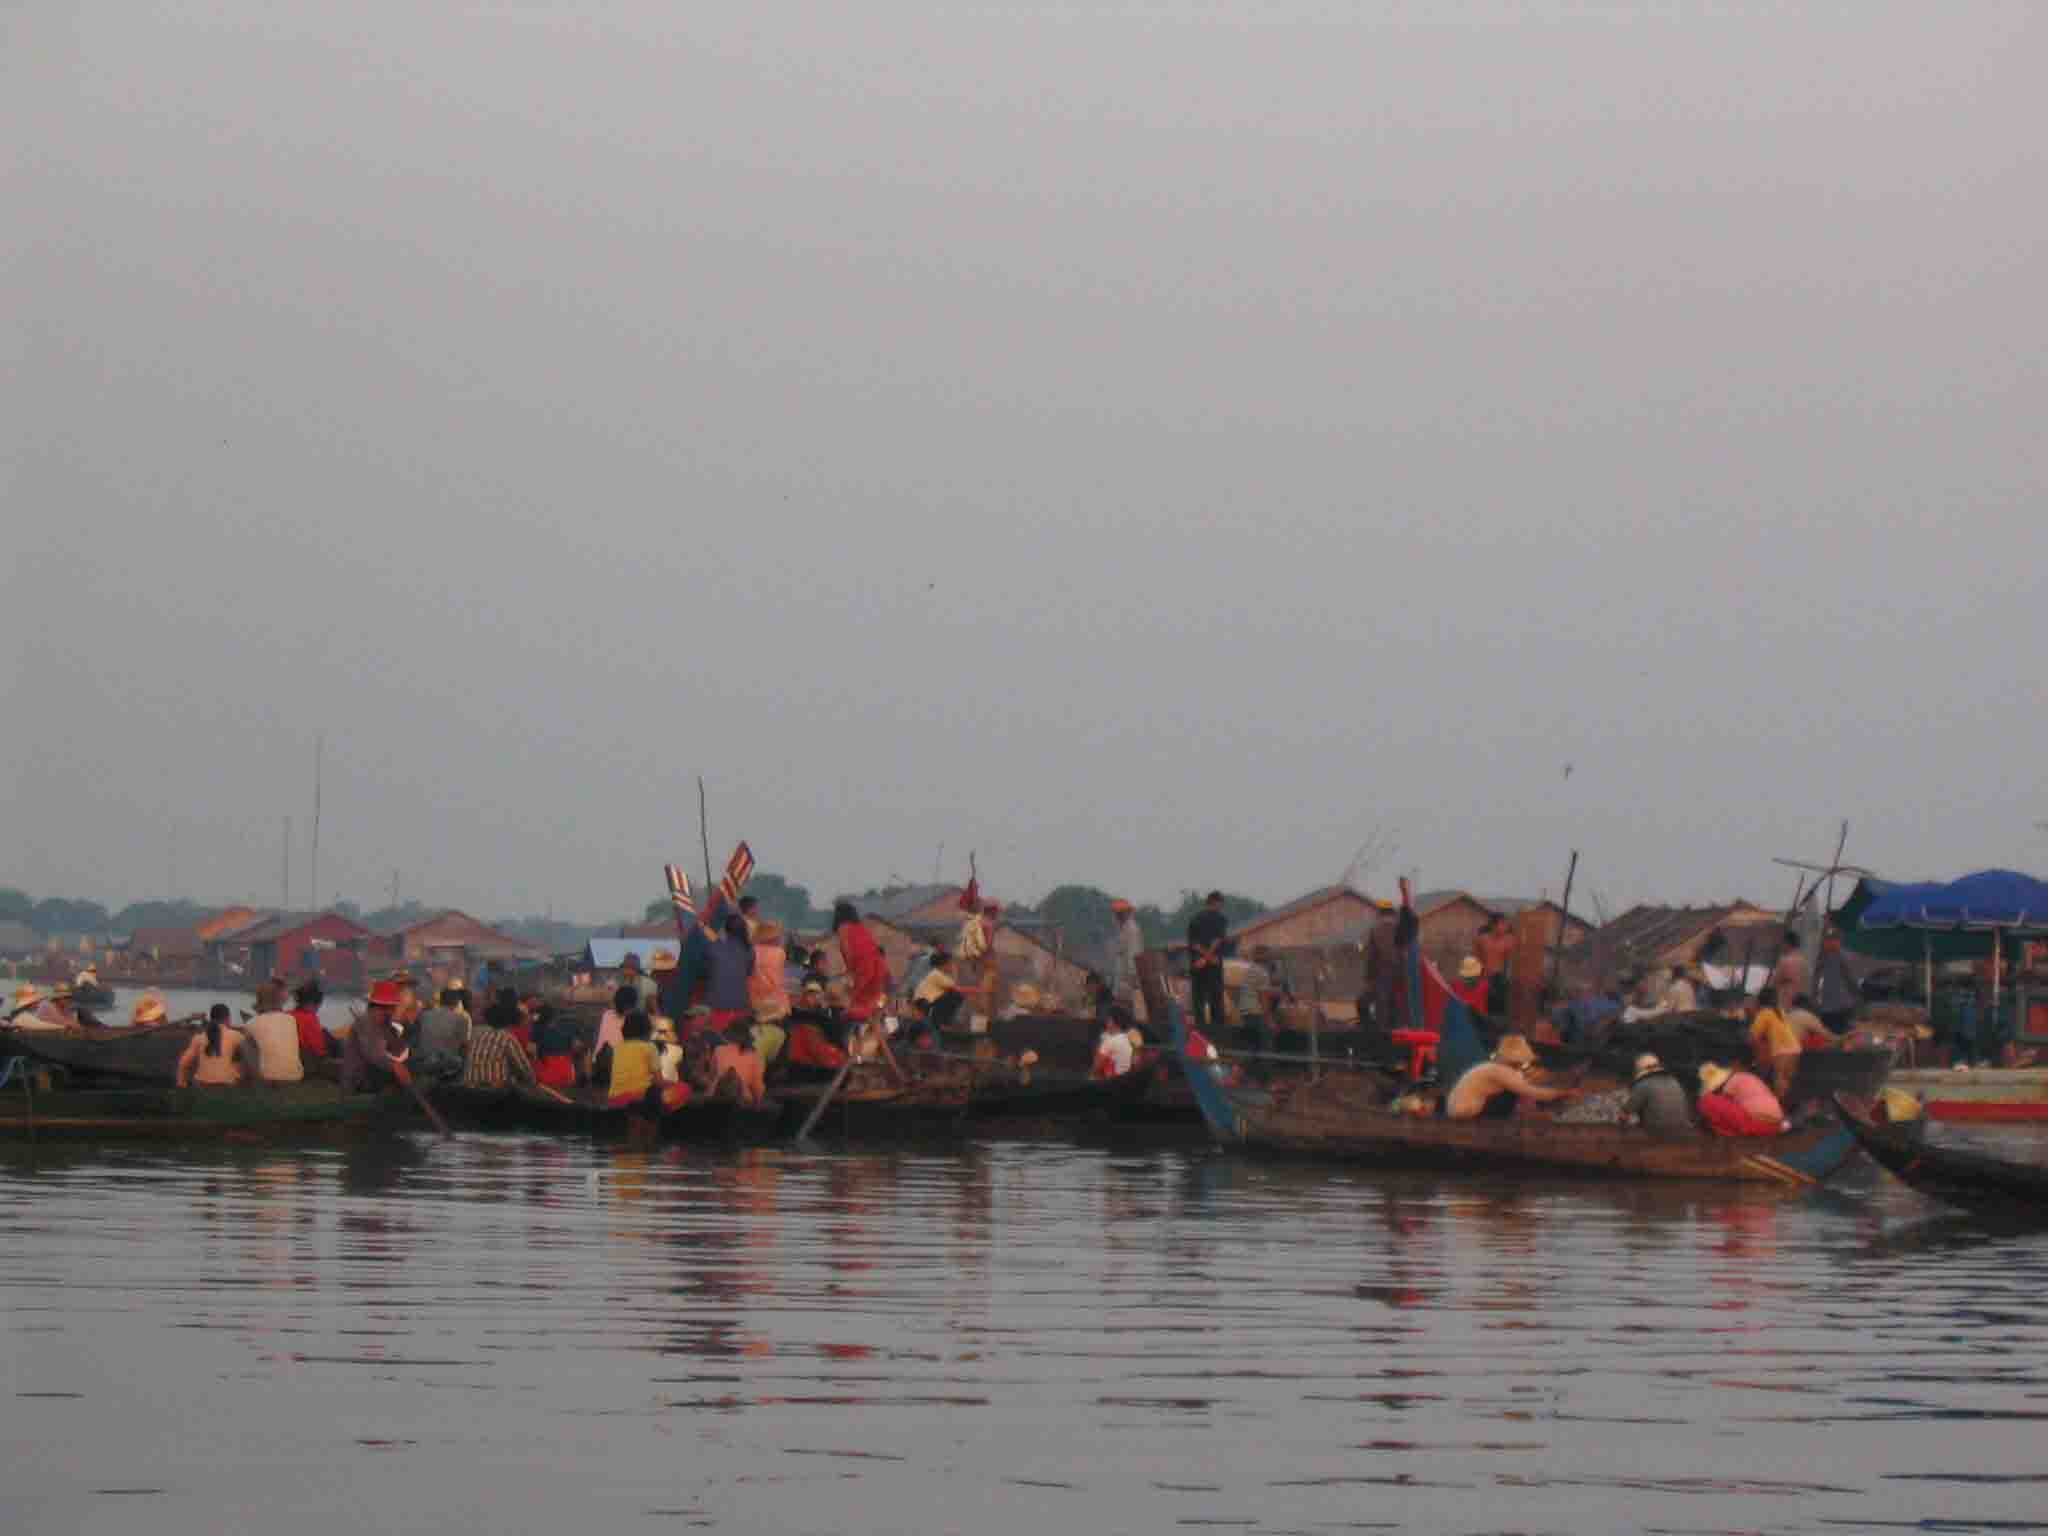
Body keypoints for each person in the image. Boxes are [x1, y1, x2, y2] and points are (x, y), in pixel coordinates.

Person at [1443, 1034, 1576, 1121]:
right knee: (1512, 1093)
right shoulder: (1499, 1071)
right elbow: (1532, 1091)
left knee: (1516, 1091)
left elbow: (1530, 1081)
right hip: (1466, 1112)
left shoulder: (1493, 1068)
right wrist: (1562, 1093)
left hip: (1459, 1110)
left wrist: (1553, 1085)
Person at [341, 979, 417, 1095]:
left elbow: (399, 1050)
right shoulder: (365, 1023)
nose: (392, 1011)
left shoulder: (384, 1025)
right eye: (389, 1008)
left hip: (373, 1074)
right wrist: (395, 1066)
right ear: (377, 1008)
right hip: (359, 1081)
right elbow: (375, 1055)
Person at [608, 1010, 688, 1110]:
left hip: (614, 1100)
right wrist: (674, 1084)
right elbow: (659, 1082)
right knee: (684, 1088)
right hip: (639, 1099)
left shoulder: (617, 1048)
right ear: (647, 1029)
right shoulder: (649, 1048)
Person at [834, 902, 890, 1028]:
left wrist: (850, 977)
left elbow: (848, 954)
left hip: (864, 970)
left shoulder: (843, 928)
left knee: (851, 1012)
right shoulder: (861, 929)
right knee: (869, 1013)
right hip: (875, 972)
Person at [461, 1007, 540, 1093]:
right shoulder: (507, 1038)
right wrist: (534, 1083)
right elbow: (523, 1067)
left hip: (470, 1089)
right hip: (495, 1091)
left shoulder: (479, 1036)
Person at [1696, 1061, 1785, 1136]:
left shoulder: (1729, 1086)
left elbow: (1728, 1107)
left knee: (1707, 1101)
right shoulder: (1746, 1077)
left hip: (1758, 1120)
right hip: (1776, 1119)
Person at [240, 981, 305, 1083]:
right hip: (296, 1075)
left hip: (267, 1076)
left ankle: (246, 1078)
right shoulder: (291, 1019)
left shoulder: (251, 1023)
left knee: (244, 1043)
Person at [704, 913, 757, 1034]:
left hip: (717, 1004)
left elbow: (707, 971)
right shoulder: (749, 950)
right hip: (740, 1003)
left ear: (726, 930)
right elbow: (749, 973)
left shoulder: (713, 947)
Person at [1186, 891, 1230, 1038]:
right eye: (1220, 904)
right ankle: (1218, 1034)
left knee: (1198, 1000)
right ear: (1216, 902)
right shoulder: (1221, 918)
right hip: (1213, 965)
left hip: (1197, 965)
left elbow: (1193, 944)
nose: (1221, 907)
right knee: (1216, 999)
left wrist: (1202, 959)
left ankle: (1200, 1033)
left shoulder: (1194, 919)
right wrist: (1209, 957)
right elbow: (1218, 941)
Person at [1748, 986, 1803, 1099]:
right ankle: (1782, 1105)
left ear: (1760, 1000)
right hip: (1794, 1048)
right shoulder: (1779, 1012)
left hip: (1781, 1050)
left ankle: (1778, 1107)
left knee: (1779, 1080)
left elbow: (1753, 1037)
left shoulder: (1764, 1013)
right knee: (1786, 1080)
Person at [1621, 1053, 1695, 1139]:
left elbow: (1626, 1112)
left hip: (1657, 1131)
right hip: (1682, 1129)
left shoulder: (1643, 1085)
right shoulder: (1675, 1082)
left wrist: (1622, 1127)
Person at [177, 1004, 248, 1088]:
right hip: (227, 1084)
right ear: (228, 1018)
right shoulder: (236, 1036)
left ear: (211, 1019)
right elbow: (248, 1060)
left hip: (202, 1084)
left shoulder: (199, 1037)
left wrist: (181, 1083)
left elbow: (183, 1063)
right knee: (240, 1060)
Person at [410, 985, 472, 1080]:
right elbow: (465, 1046)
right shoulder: (462, 1018)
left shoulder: (424, 1015)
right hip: (446, 1065)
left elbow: (416, 1039)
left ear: (441, 1001)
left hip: (423, 1063)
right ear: (457, 1002)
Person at [908, 946, 964, 1047]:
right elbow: (957, 989)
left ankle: (943, 1022)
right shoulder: (936, 974)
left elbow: (952, 986)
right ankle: (942, 1022)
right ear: (945, 964)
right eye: (951, 963)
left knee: (954, 995)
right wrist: (980, 990)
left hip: (926, 1005)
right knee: (956, 995)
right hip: (924, 1004)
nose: (952, 965)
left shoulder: (940, 975)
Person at [709, 1019, 767, 1106]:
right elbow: (757, 1085)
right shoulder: (755, 1055)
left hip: (716, 1099)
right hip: (743, 1101)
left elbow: (712, 1075)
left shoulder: (718, 1050)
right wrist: (759, 1103)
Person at [1813, 929, 1858, 1035]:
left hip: (1841, 1006)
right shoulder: (1824, 957)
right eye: (1828, 939)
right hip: (1829, 1007)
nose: (1829, 942)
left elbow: (1850, 979)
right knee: (1831, 1035)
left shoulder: (1844, 956)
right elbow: (1817, 976)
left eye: (1832, 939)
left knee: (1838, 1034)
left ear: (1838, 940)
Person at [1474, 916, 1517, 1016]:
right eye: (1503, 924)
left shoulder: (1508, 940)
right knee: (1483, 1007)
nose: (1506, 927)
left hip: (1499, 978)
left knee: (1498, 1009)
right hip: (1483, 976)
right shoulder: (1482, 939)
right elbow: (1476, 957)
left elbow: (1511, 959)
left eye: (1506, 925)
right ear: (1494, 925)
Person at [1110, 900, 1145, 1020]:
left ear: (1126, 913)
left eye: (1119, 913)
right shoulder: (1124, 929)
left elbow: (1133, 956)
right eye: (1116, 913)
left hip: (1129, 982)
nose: (1117, 916)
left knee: (1129, 1015)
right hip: (1124, 982)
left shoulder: (1131, 930)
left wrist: (1132, 979)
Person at [531, 1003, 579, 1090]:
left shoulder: (536, 1030)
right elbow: (576, 1047)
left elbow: (531, 1052)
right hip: (567, 1073)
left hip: (546, 1073)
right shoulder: (566, 1027)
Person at [291, 980, 335, 1060]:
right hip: (308, 1063)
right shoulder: (310, 1019)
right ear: (313, 1003)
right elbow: (319, 1050)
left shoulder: (289, 1015)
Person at [1770, 929, 1809, 1004]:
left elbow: (1775, 983)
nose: (1781, 945)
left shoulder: (1785, 961)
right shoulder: (1804, 962)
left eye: (1782, 943)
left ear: (1787, 943)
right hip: (1801, 1002)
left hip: (1786, 1001)